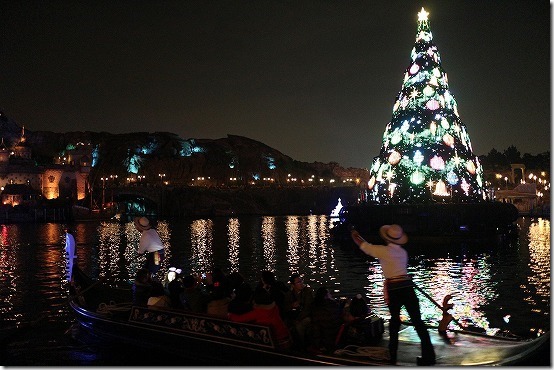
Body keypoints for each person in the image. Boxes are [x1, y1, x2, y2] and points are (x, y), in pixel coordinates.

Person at [351, 224, 435, 366]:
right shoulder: (403, 253)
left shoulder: (383, 251)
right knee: (418, 322)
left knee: (395, 322)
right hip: (407, 287)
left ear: (387, 238)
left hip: (394, 288)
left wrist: (354, 234)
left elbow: (364, 246)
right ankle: (429, 356)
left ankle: (393, 356)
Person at [283, 273, 314, 349]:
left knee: (299, 326)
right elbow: (284, 307)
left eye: (301, 281)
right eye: (298, 282)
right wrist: (292, 306)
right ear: (293, 285)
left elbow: (308, 308)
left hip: (306, 316)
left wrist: (298, 319)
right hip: (294, 316)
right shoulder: (289, 294)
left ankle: (302, 346)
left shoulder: (307, 292)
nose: (301, 284)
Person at [309, 286, 342, 354]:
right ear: (326, 295)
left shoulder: (314, 306)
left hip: (322, 337)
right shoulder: (334, 304)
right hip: (333, 334)